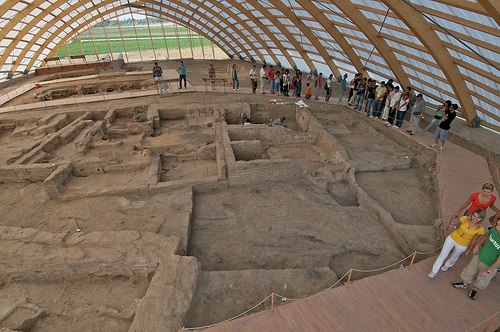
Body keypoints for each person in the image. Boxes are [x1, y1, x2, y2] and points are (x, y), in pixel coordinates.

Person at [451, 217, 500, 300]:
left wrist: (489, 271)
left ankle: (474, 290)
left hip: (489, 264)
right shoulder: (494, 230)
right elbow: (486, 235)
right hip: (480, 255)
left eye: (499, 225)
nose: (496, 226)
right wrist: (477, 245)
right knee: (469, 271)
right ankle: (465, 284)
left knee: (482, 280)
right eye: (497, 224)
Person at [429, 209, 486, 278]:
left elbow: (474, 240)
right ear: (472, 215)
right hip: (452, 238)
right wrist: (453, 226)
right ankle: (434, 271)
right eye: (474, 216)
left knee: (454, 257)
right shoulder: (464, 219)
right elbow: (457, 226)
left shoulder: (481, 229)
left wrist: (469, 249)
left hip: (463, 244)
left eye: (478, 217)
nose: (475, 218)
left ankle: (447, 265)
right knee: (443, 255)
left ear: (481, 219)